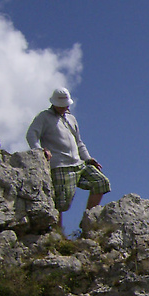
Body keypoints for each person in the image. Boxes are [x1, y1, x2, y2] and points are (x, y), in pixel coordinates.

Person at [26, 87, 111, 228]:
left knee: (101, 182)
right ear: (54, 104)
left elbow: (78, 142)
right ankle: (58, 233)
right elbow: (31, 134)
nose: (64, 107)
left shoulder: (71, 118)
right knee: (61, 203)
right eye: (61, 105)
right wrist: (39, 151)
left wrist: (88, 158)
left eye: (65, 105)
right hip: (60, 165)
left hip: (79, 163)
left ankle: (87, 222)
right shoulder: (44, 117)